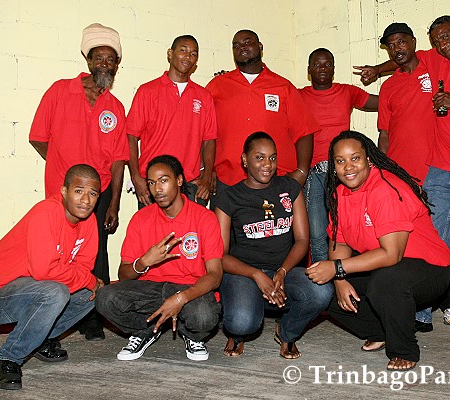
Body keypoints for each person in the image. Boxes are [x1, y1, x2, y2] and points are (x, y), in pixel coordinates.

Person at [356, 21, 450, 333]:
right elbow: (401, 59)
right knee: (432, 240)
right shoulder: (438, 63)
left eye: (446, 37)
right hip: (441, 167)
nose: (442, 45)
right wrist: (378, 69)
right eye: (437, 41)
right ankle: (422, 310)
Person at [306, 131, 450, 371]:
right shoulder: (338, 193)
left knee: (385, 282)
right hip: (383, 266)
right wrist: (339, 279)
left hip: (429, 267)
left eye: (355, 158)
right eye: (340, 161)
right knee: (317, 287)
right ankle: (379, 331)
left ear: (368, 160)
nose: (348, 167)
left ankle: (404, 350)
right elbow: (339, 242)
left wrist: (337, 268)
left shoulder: (385, 189)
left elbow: (391, 254)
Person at [29, 23, 129, 340]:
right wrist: (62, 169)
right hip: (61, 196)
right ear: (88, 60)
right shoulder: (59, 91)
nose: (105, 64)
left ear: (117, 65)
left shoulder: (115, 108)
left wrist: (113, 203)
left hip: (100, 195)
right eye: (99, 58)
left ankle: (93, 317)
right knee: (58, 256)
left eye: (111, 59)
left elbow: (118, 160)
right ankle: (53, 317)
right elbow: (38, 137)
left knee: (96, 254)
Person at [0, 164, 104, 390]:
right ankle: (7, 358)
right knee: (56, 292)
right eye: (78, 191)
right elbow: (44, 271)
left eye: (93, 193)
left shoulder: (88, 221)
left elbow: (84, 266)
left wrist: (89, 281)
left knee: (93, 294)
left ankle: (40, 340)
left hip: (34, 290)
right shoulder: (46, 212)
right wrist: (88, 279)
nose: (85, 200)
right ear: (64, 191)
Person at [214, 132, 333, 359]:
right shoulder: (229, 197)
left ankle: (287, 331)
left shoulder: (289, 187)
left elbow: (302, 240)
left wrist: (282, 271)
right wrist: (257, 275)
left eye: (272, 158)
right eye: (259, 157)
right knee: (241, 322)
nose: (267, 165)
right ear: (245, 160)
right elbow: (219, 255)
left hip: (283, 272)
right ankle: (238, 331)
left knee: (321, 292)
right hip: (244, 274)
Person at [96, 155, 223, 361]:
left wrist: (181, 298)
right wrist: (144, 262)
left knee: (203, 317)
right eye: (151, 183)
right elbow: (124, 274)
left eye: (164, 180)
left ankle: (191, 335)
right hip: (150, 289)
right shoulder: (141, 218)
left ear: (179, 180)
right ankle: (145, 331)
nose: (157, 189)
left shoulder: (204, 218)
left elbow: (215, 275)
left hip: (189, 288)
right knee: (104, 298)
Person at [206, 30, 320, 196]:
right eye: (236, 45)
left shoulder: (283, 87)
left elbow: (305, 131)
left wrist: (302, 172)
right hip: (228, 181)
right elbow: (203, 132)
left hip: (276, 181)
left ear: (260, 47)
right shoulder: (217, 85)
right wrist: (207, 170)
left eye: (247, 42)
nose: (241, 47)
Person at [299, 47, 378, 264]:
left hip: (344, 172)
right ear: (309, 70)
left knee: (345, 231)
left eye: (327, 64)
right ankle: (321, 279)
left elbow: (385, 102)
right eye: (317, 64)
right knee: (317, 234)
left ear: (334, 68)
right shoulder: (299, 95)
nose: (322, 68)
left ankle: (341, 274)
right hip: (314, 174)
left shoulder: (347, 92)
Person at [127, 35, 217, 208]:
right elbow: (130, 136)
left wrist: (206, 177)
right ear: (170, 54)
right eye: (183, 50)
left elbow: (209, 140)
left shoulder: (204, 96)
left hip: (190, 185)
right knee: (152, 227)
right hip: (154, 184)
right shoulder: (147, 92)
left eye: (193, 54)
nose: (188, 56)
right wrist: (136, 177)